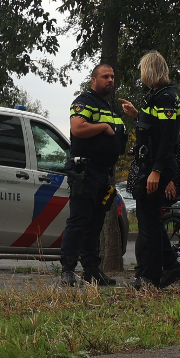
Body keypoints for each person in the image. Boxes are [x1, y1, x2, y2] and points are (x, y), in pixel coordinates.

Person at [123, 51, 180, 290]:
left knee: (149, 222)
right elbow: (154, 128)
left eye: (143, 69)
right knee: (149, 219)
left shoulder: (166, 97)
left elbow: (167, 138)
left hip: (156, 166)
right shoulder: (156, 95)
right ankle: (171, 265)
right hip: (149, 164)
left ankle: (150, 276)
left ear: (149, 70)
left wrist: (157, 170)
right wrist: (137, 115)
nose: (141, 73)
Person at [59, 63, 125, 288]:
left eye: (112, 76)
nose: (110, 80)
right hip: (85, 172)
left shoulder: (111, 106)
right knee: (78, 221)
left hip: (104, 173)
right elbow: (77, 128)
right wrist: (103, 126)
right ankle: (67, 269)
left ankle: (91, 270)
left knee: (95, 224)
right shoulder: (84, 101)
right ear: (94, 81)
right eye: (105, 76)